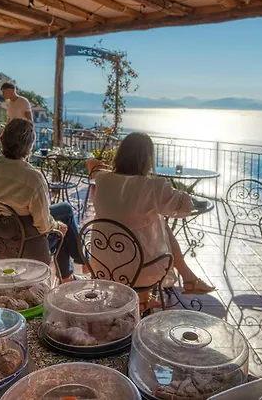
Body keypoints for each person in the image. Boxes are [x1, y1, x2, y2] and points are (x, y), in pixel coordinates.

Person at [88, 132, 214, 308]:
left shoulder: (102, 179)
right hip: (140, 270)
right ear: (147, 159)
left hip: (102, 264)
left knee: (153, 222)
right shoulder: (152, 187)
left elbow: (93, 166)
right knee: (158, 221)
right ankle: (178, 282)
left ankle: (145, 300)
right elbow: (185, 206)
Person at [0, 118, 83, 281]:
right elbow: (43, 226)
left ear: (2, 140)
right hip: (28, 250)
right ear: (30, 147)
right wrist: (56, 226)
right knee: (64, 219)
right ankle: (78, 264)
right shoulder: (33, 178)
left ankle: (71, 272)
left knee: (63, 213)